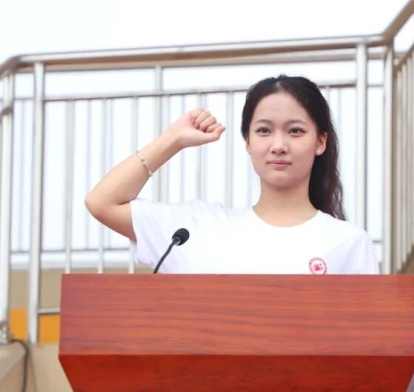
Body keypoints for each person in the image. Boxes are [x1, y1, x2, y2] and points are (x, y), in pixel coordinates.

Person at [85, 74, 380, 274]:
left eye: (295, 131)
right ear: (248, 142)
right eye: (264, 131)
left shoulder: (347, 242)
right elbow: (102, 203)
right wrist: (172, 139)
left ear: (320, 142)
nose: (278, 145)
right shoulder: (193, 229)